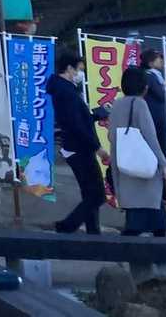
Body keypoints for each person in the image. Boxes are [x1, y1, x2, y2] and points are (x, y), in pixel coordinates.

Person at [110, 64, 166, 237]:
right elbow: (150, 137)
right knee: (153, 209)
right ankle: (156, 244)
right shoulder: (140, 104)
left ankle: (134, 240)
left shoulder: (116, 104)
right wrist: (164, 164)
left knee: (134, 213)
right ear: (144, 87)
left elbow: (111, 135)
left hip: (123, 162)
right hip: (145, 166)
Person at [49, 51, 109, 235]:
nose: (80, 74)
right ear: (69, 68)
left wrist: (94, 116)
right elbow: (76, 125)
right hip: (79, 148)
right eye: (79, 69)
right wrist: (97, 148)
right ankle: (67, 226)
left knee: (90, 193)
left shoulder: (64, 89)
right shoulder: (66, 91)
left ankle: (93, 231)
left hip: (77, 146)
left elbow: (76, 119)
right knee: (97, 194)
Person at [141, 48, 166, 154]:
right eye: (158, 58)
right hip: (155, 119)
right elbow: (162, 95)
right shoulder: (149, 75)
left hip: (160, 118)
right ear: (150, 62)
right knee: (158, 149)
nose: (162, 61)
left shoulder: (156, 75)